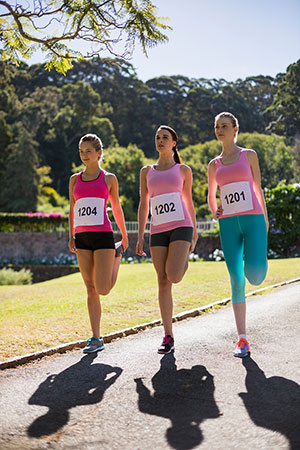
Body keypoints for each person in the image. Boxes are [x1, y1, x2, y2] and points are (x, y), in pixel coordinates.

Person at [207, 112, 268, 358]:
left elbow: (257, 188)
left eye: (224, 126)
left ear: (235, 129)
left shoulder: (249, 155)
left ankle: (259, 259)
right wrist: (215, 211)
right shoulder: (214, 164)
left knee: (255, 276)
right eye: (217, 126)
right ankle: (242, 338)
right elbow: (212, 196)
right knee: (236, 280)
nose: (220, 129)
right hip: (228, 225)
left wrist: (264, 219)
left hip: (253, 220)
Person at [136, 125, 198, 354]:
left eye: (165, 137)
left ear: (174, 142)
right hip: (158, 230)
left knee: (173, 275)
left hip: (182, 225)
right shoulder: (146, 171)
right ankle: (168, 335)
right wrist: (141, 235)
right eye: (157, 137)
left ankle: (184, 259)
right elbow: (144, 205)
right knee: (162, 281)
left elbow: (188, 201)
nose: (160, 140)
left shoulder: (183, 170)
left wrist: (195, 230)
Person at [69, 133, 128, 353]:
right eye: (81, 151)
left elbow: (117, 208)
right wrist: (70, 234)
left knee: (103, 289)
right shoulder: (74, 179)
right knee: (90, 288)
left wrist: (124, 234)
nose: (84, 155)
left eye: (88, 151)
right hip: (82, 237)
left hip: (103, 236)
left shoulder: (109, 179)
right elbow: (71, 209)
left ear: (99, 153)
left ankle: (118, 254)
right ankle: (96, 337)